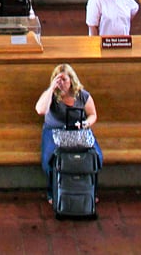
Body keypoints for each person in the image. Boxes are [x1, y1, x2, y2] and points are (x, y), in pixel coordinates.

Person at [34, 64, 102, 197]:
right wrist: (52, 88)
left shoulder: (82, 95)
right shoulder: (51, 95)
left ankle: (89, 191)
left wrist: (85, 124)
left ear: (71, 79)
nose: (62, 83)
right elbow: (41, 110)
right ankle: (53, 192)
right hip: (55, 130)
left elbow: (92, 114)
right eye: (58, 80)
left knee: (96, 156)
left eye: (64, 80)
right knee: (50, 159)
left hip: (78, 129)